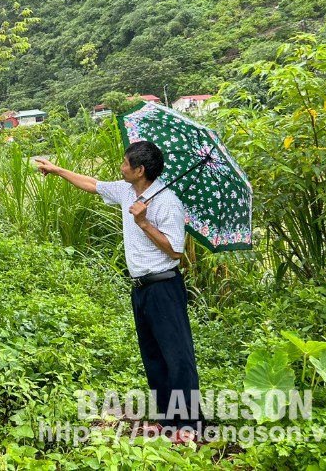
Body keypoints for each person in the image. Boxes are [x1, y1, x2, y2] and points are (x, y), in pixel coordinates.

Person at [34, 141, 201, 443]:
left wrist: (143, 222)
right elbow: (93, 185)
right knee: (153, 356)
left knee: (177, 357)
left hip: (164, 286)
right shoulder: (127, 191)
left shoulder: (168, 202)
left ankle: (188, 426)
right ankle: (168, 420)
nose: (121, 167)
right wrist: (57, 170)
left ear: (139, 170)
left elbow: (176, 251)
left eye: (125, 163)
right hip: (141, 289)